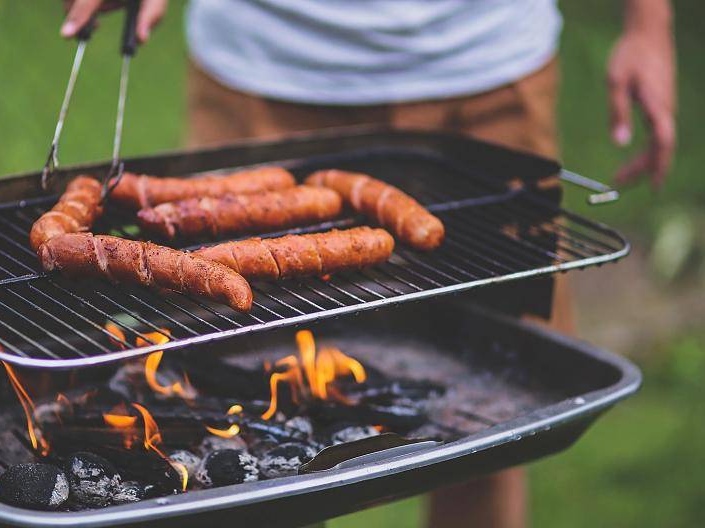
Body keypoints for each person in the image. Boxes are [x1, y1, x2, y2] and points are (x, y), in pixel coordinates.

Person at [61, 1, 676, 527]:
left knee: (494, 420)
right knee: (229, 428)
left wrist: (649, 27)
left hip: (487, 68)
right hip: (265, 66)